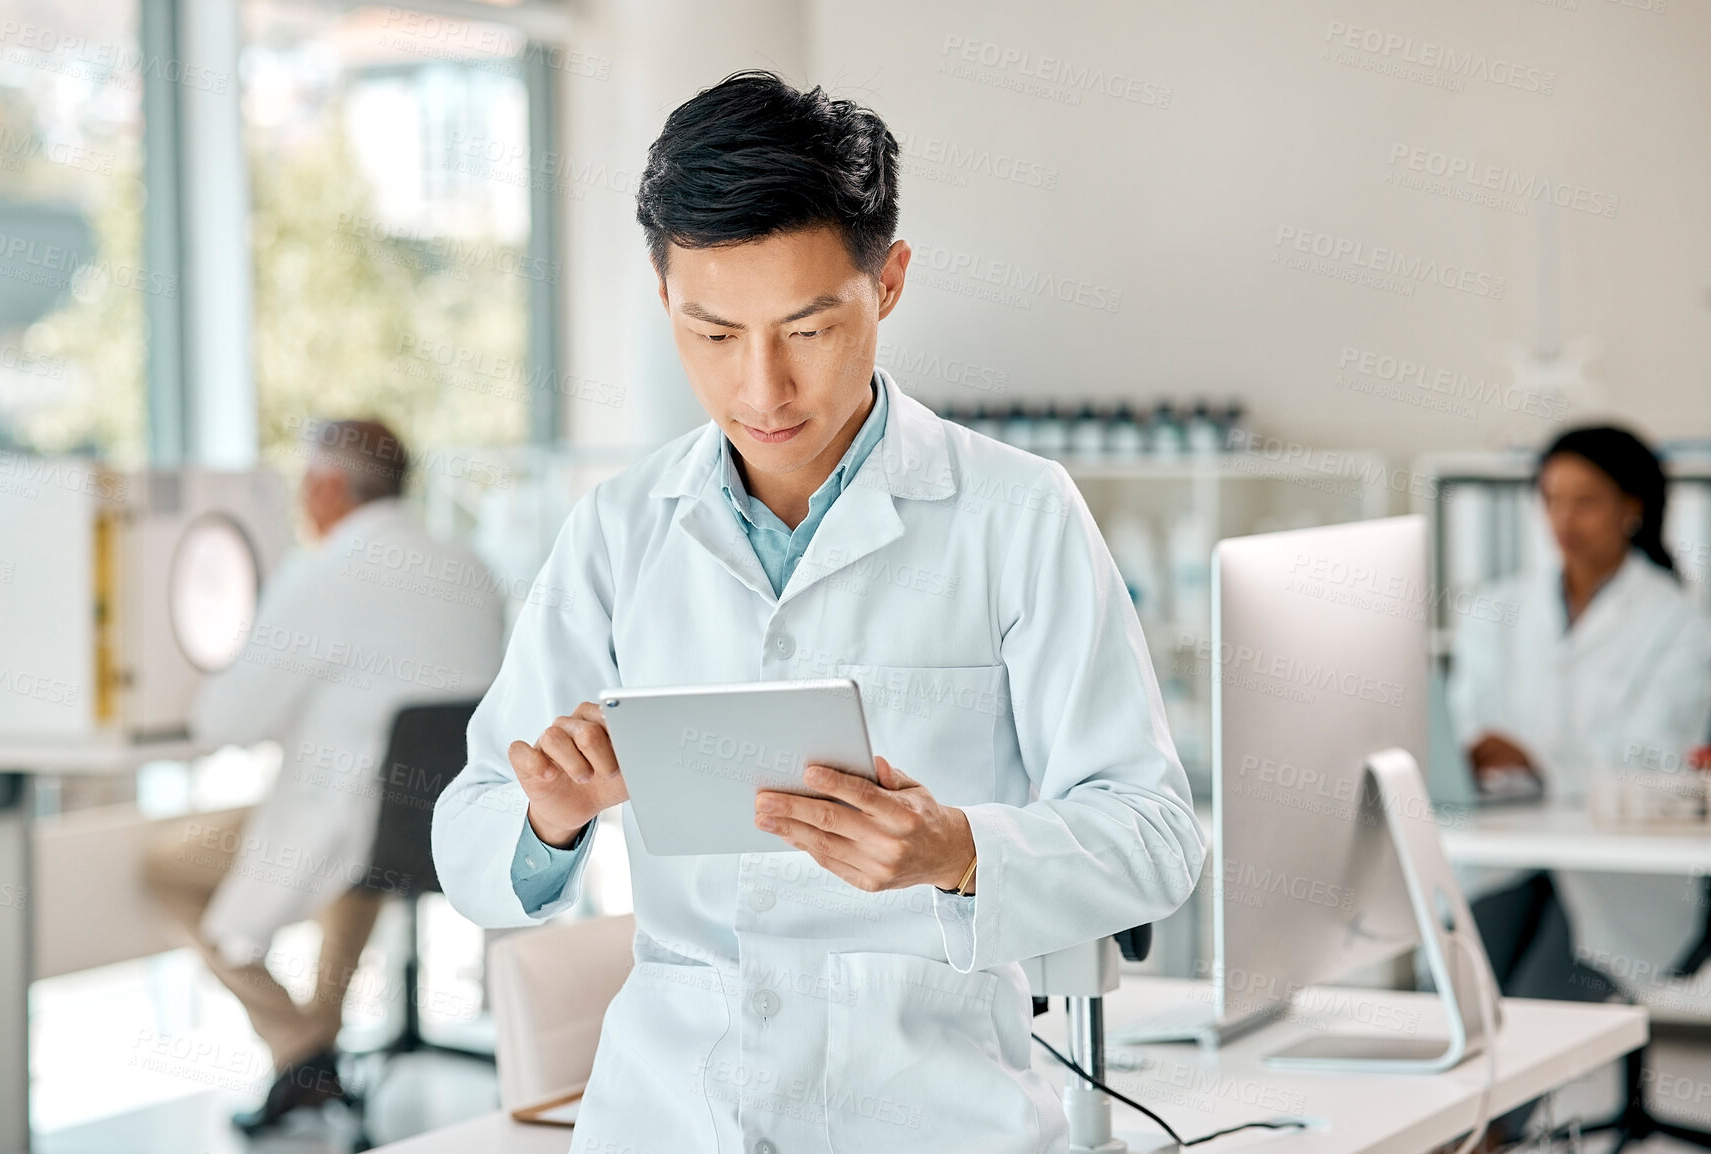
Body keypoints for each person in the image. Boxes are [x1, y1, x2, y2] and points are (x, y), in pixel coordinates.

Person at [433, 71, 1205, 1153]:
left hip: (935, 1115)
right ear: (665, 298)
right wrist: (552, 812)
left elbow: (1157, 836)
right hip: (671, 1118)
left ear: (886, 284)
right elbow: (472, 832)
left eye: (807, 328)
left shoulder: (1014, 514)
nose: (763, 390)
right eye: (712, 334)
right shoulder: (619, 527)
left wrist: (960, 849)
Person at [145, 419, 505, 1133]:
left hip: (350, 819)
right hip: (435, 824)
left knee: (166, 870)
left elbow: (223, 723)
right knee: (358, 862)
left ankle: (300, 1048)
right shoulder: (469, 565)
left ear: (328, 487)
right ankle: (311, 1052)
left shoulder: (326, 576)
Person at [1450, 425, 1711, 1001]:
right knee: (1456, 1000)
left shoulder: (1681, 624)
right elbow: (1468, 722)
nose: (1563, 520)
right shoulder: (1495, 608)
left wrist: (1538, 760)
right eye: (1550, 499)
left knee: (1535, 1014)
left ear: (1632, 506)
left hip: (1621, 871)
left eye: (1586, 501)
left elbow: (1657, 754)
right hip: (1511, 854)